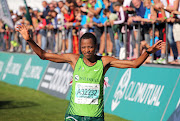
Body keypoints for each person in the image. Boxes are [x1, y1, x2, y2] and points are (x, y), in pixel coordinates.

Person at [16, 24, 162, 121]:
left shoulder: (104, 62)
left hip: (95, 117)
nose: (87, 50)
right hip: (74, 115)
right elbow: (44, 55)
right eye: (84, 47)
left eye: (90, 47)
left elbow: (134, 64)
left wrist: (149, 51)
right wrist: (29, 40)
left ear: (96, 47)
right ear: (80, 47)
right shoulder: (74, 60)